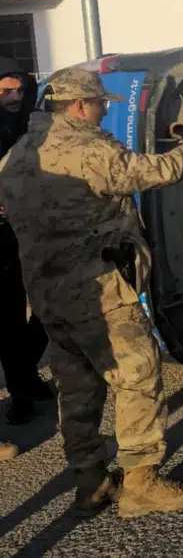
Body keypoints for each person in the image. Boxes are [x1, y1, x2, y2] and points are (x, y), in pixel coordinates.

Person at [0, 67, 183, 518]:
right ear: (80, 106)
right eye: (99, 104)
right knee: (139, 375)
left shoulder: (16, 156)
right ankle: (140, 484)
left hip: (46, 292)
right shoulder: (88, 150)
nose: (102, 111)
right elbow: (157, 171)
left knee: (77, 387)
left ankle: (90, 481)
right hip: (97, 288)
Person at [0, 62, 54, 427]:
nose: (15, 98)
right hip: (3, 239)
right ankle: (20, 391)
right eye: (5, 91)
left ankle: (27, 372)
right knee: (8, 319)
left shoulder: (34, 125)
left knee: (47, 309)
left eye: (19, 90)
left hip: (38, 230)